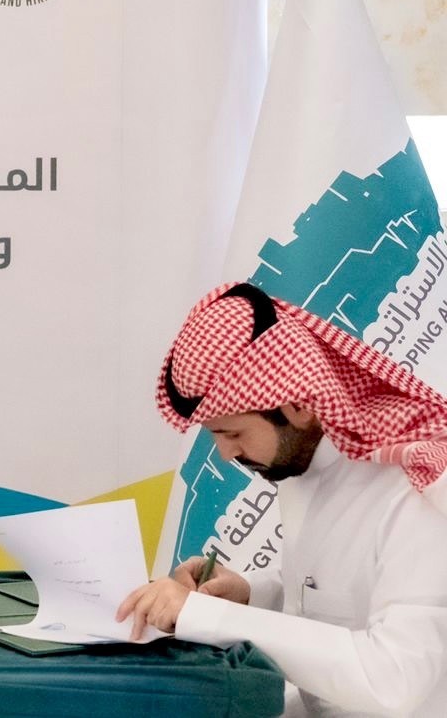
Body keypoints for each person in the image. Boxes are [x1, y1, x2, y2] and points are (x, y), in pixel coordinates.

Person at [117, 281, 447, 717]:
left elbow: (394, 680)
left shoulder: (419, 490)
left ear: (299, 405)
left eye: (233, 432)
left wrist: (205, 617)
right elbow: (334, 590)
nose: (226, 454)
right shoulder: (306, 464)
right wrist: (249, 594)